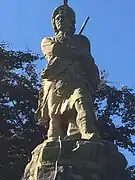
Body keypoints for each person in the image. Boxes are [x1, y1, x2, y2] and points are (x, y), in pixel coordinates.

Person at [36, 4, 100, 141]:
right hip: (55, 82)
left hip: (76, 79)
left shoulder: (81, 40)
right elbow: (55, 50)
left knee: (82, 101)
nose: (61, 20)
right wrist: (75, 52)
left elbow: (87, 58)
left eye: (65, 18)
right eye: (58, 18)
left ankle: (88, 134)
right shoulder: (48, 41)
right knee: (55, 118)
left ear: (72, 22)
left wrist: (77, 53)